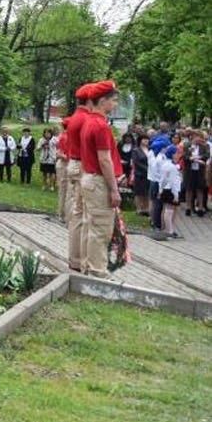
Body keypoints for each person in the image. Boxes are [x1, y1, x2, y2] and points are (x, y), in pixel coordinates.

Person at [78, 81, 122, 279]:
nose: (115, 105)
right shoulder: (101, 125)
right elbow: (105, 160)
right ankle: (98, 271)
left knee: (90, 226)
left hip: (88, 178)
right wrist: (114, 189)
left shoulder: (89, 121)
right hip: (98, 181)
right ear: (102, 101)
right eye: (113, 101)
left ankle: (88, 266)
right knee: (101, 229)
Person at [62, 85, 93, 273]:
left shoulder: (75, 118)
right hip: (82, 165)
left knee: (76, 211)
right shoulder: (85, 119)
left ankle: (75, 258)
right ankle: (81, 259)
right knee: (83, 214)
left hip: (74, 163)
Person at [158, 143, 183, 239]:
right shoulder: (172, 167)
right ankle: (169, 230)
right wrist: (176, 195)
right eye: (177, 153)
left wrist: (160, 189)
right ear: (172, 154)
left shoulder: (167, 164)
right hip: (171, 190)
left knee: (167, 210)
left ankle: (168, 228)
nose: (178, 155)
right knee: (169, 211)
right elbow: (173, 182)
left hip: (166, 189)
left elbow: (162, 180)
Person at [184, 132, 208, 216]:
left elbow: (206, 155)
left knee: (200, 189)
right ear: (192, 137)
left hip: (199, 171)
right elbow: (185, 156)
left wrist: (199, 158)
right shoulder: (187, 145)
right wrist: (190, 158)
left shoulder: (204, 146)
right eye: (196, 137)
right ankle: (188, 208)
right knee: (189, 189)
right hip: (189, 171)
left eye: (199, 137)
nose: (198, 139)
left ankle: (200, 208)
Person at [131, 135, 150, 216]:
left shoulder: (150, 150)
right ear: (140, 140)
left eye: (147, 139)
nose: (146, 141)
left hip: (149, 175)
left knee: (147, 192)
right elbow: (136, 162)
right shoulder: (136, 150)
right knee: (139, 192)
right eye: (144, 139)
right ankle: (139, 209)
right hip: (140, 174)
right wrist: (147, 169)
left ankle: (146, 208)